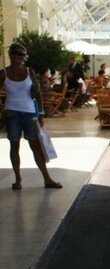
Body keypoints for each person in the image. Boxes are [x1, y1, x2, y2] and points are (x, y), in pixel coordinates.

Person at [0, 43, 62, 190]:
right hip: (12, 113)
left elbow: (38, 93)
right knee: (14, 145)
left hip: (29, 113)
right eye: (18, 54)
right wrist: (2, 110)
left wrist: (40, 115)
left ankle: (47, 179)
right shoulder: (3, 73)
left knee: (35, 146)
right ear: (11, 55)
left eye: (23, 55)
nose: (21, 57)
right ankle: (18, 179)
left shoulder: (30, 72)